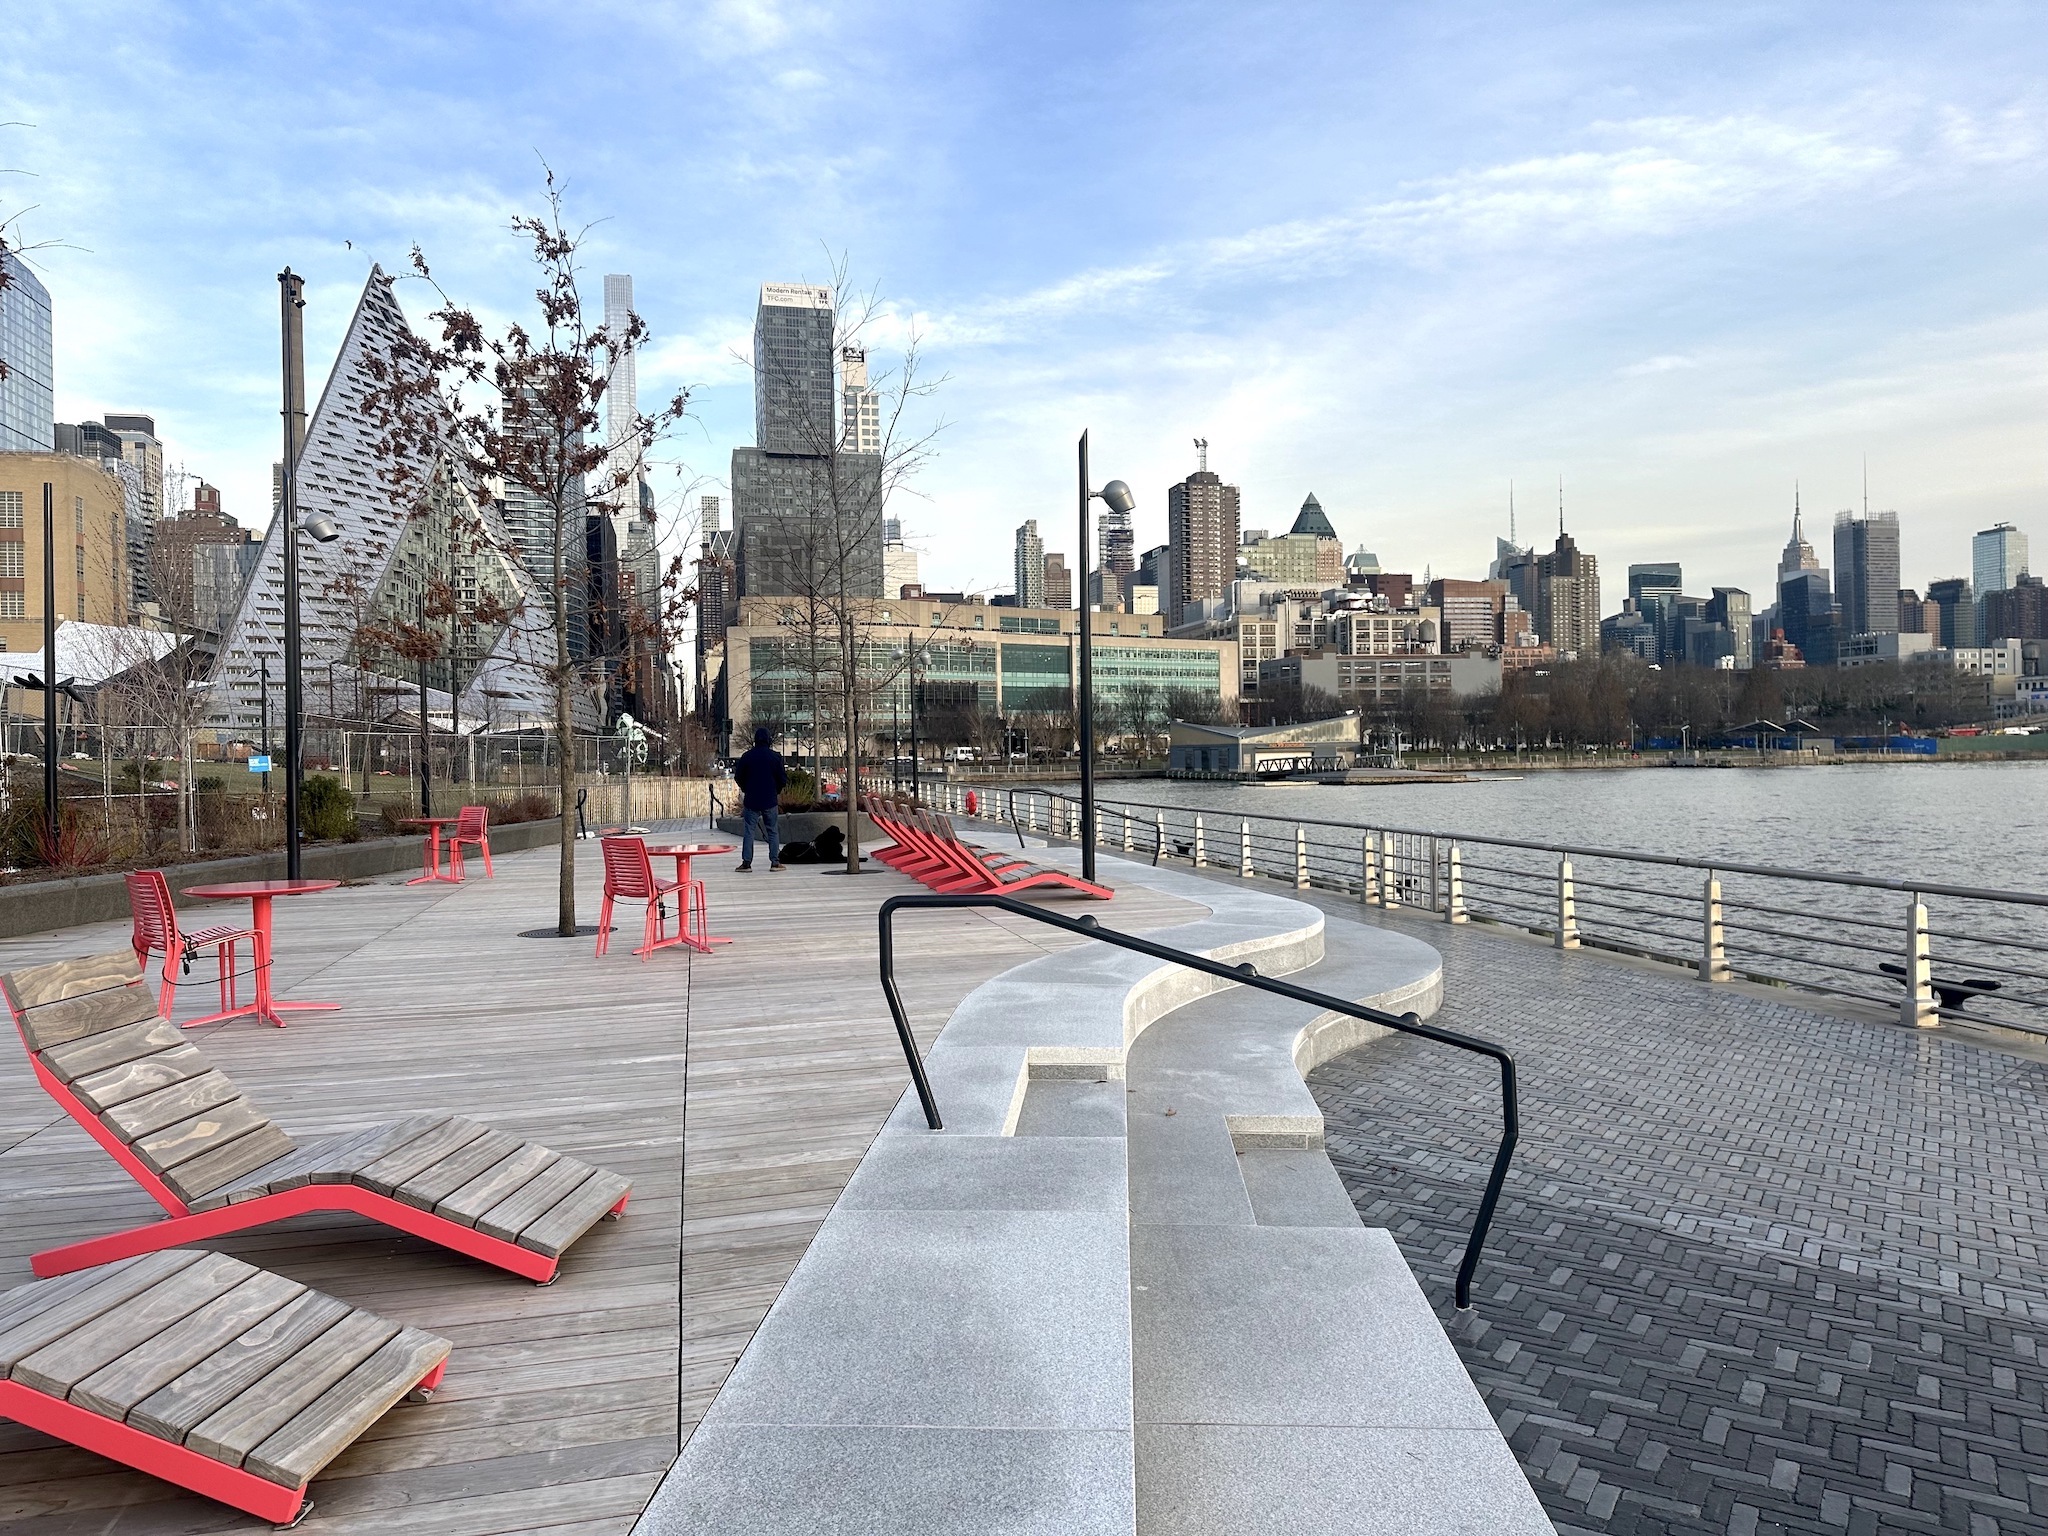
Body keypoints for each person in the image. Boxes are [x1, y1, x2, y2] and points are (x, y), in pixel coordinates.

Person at [733, 727, 788, 871]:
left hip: (752, 800)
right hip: (770, 799)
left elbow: (738, 777)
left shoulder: (747, 757)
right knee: (772, 831)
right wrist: (776, 791)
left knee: (749, 831)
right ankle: (775, 862)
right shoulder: (775, 757)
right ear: (769, 740)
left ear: (755, 740)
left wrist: (746, 789)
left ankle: (746, 863)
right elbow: (782, 779)